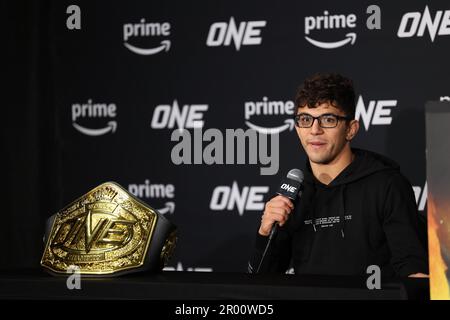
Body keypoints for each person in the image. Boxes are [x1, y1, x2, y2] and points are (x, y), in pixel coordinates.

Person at [249, 73, 428, 277]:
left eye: (328, 119)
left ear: (351, 129)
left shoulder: (387, 185)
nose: (315, 130)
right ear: (297, 127)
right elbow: (263, 285)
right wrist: (265, 234)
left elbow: (414, 272)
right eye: (306, 119)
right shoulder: (293, 195)